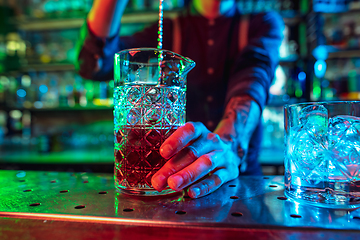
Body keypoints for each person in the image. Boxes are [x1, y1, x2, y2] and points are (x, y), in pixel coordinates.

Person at [75, 0, 284, 198]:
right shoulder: (167, 29)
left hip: (239, 181)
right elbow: (95, 64)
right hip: (172, 183)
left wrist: (226, 146)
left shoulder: (261, 23)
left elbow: (253, 80)